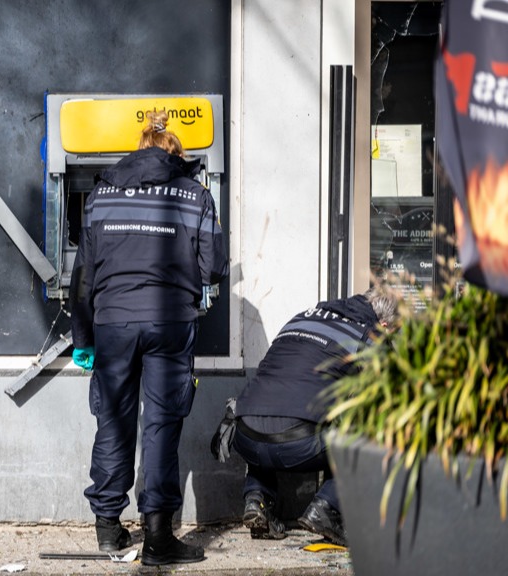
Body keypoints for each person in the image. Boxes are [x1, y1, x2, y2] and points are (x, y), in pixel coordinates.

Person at [69, 109, 229, 566]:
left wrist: (84, 336)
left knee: (113, 420)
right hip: (170, 324)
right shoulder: (194, 195)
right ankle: (159, 539)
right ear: (175, 156)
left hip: (113, 324)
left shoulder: (101, 195)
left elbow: (83, 277)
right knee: (160, 425)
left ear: (139, 150)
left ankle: (107, 528)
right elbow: (213, 267)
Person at [232, 288, 400, 544]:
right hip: (295, 444)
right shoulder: (369, 335)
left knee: (268, 411)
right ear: (385, 325)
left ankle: (257, 499)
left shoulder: (302, 318)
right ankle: (326, 507)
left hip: (244, 433)